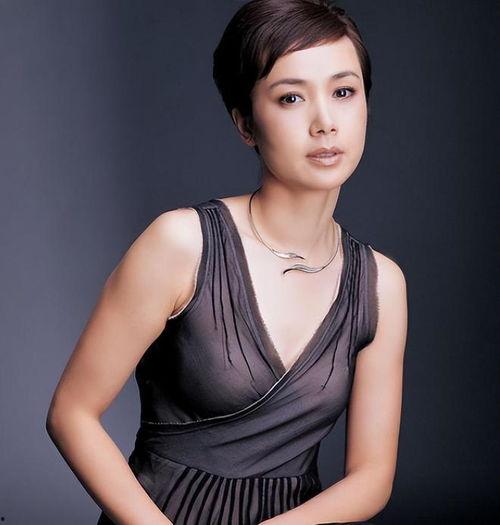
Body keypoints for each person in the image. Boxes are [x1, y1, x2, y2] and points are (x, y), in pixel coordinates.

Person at [46, 1, 408, 524]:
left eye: (344, 92)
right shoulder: (181, 244)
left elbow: (372, 478)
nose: (325, 123)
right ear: (245, 123)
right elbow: (72, 413)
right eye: (290, 98)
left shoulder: (381, 284)